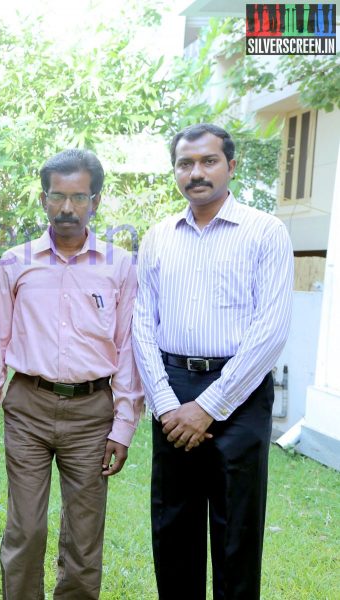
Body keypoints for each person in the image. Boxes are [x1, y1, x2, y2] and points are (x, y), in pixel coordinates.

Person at [0, 149, 143, 599]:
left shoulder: (120, 266)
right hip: (29, 408)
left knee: (84, 539)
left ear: (95, 201)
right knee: (25, 531)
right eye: (57, 196)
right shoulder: (15, 262)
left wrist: (123, 426)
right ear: (43, 199)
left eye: (78, 197)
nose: (67, 208)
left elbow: (127, 353)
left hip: (92, 414)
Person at [132, 124, 293, 599]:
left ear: (231, 166)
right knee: (173, 525)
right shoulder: (159, 236)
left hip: (239, 393)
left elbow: (271, 329)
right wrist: (165, 402)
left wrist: (209, 406)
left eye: (208, 161)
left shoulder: (266, 232)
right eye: (186, 163)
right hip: (173, 386)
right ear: (175, 170)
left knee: (236, 533)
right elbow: (143, 322)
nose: (196, 173)